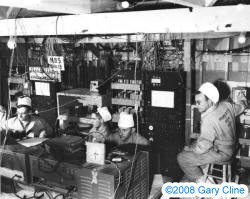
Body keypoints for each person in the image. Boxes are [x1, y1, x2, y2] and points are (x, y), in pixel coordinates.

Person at [177, 82, 247, 182]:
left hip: (221, 154)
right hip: (232, 149)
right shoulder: (226, 105)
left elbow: (203, 147)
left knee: (182, 158)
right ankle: (204, 169)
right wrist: (242, 99)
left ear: (210, 100)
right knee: (194, 145)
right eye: (196, 102)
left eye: (199, 102)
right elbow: (241, 106)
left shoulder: (208, 119)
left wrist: (189, 150)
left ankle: (206, 185)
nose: (197, 105)